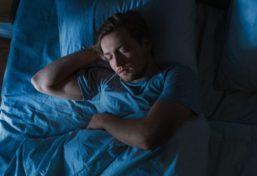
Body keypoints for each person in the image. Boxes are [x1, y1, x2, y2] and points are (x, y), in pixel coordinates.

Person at [31, 11, 200, 150]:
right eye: (110, 57)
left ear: (146, 44)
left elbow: (148, 137)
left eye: (123, 49)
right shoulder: (105, 80)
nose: (118, 63)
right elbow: (41, 82)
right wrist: (95, 52)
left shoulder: (175, 76)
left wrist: (104, 120)